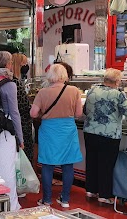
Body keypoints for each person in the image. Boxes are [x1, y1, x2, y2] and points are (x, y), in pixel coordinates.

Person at [30, 64, 83, 208]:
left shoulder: (43, 92)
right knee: (68, 165)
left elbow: (33, 114)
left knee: (47, 165)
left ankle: (47, 199)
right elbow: (79, 113)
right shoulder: (74, 91)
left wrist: (44, 113)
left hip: (49, 130)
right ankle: (65, 199)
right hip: (68, 130)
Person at [83, 68, 127, 204]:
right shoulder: (117, 94)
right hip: (109, 134)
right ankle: (104, 194)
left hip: (90, 131)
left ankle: (90, 190)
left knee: (92, 161)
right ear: (117, 81)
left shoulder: (92, 90)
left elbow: (85, 110)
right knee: (106, 164)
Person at [0, 51, 24, 212]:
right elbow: (14, 113)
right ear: (8, 64)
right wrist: (20, 138)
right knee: (7, 169)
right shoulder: (9, 84)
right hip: (6, 132)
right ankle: (11, 206)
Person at [11, 53, 35, 166]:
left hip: (13, 124)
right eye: (24, 63)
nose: (26, 66)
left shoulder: (10, 81)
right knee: (24, 154)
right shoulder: (16, 83)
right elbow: (24, 107)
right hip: (22, 125)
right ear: (18, 65)